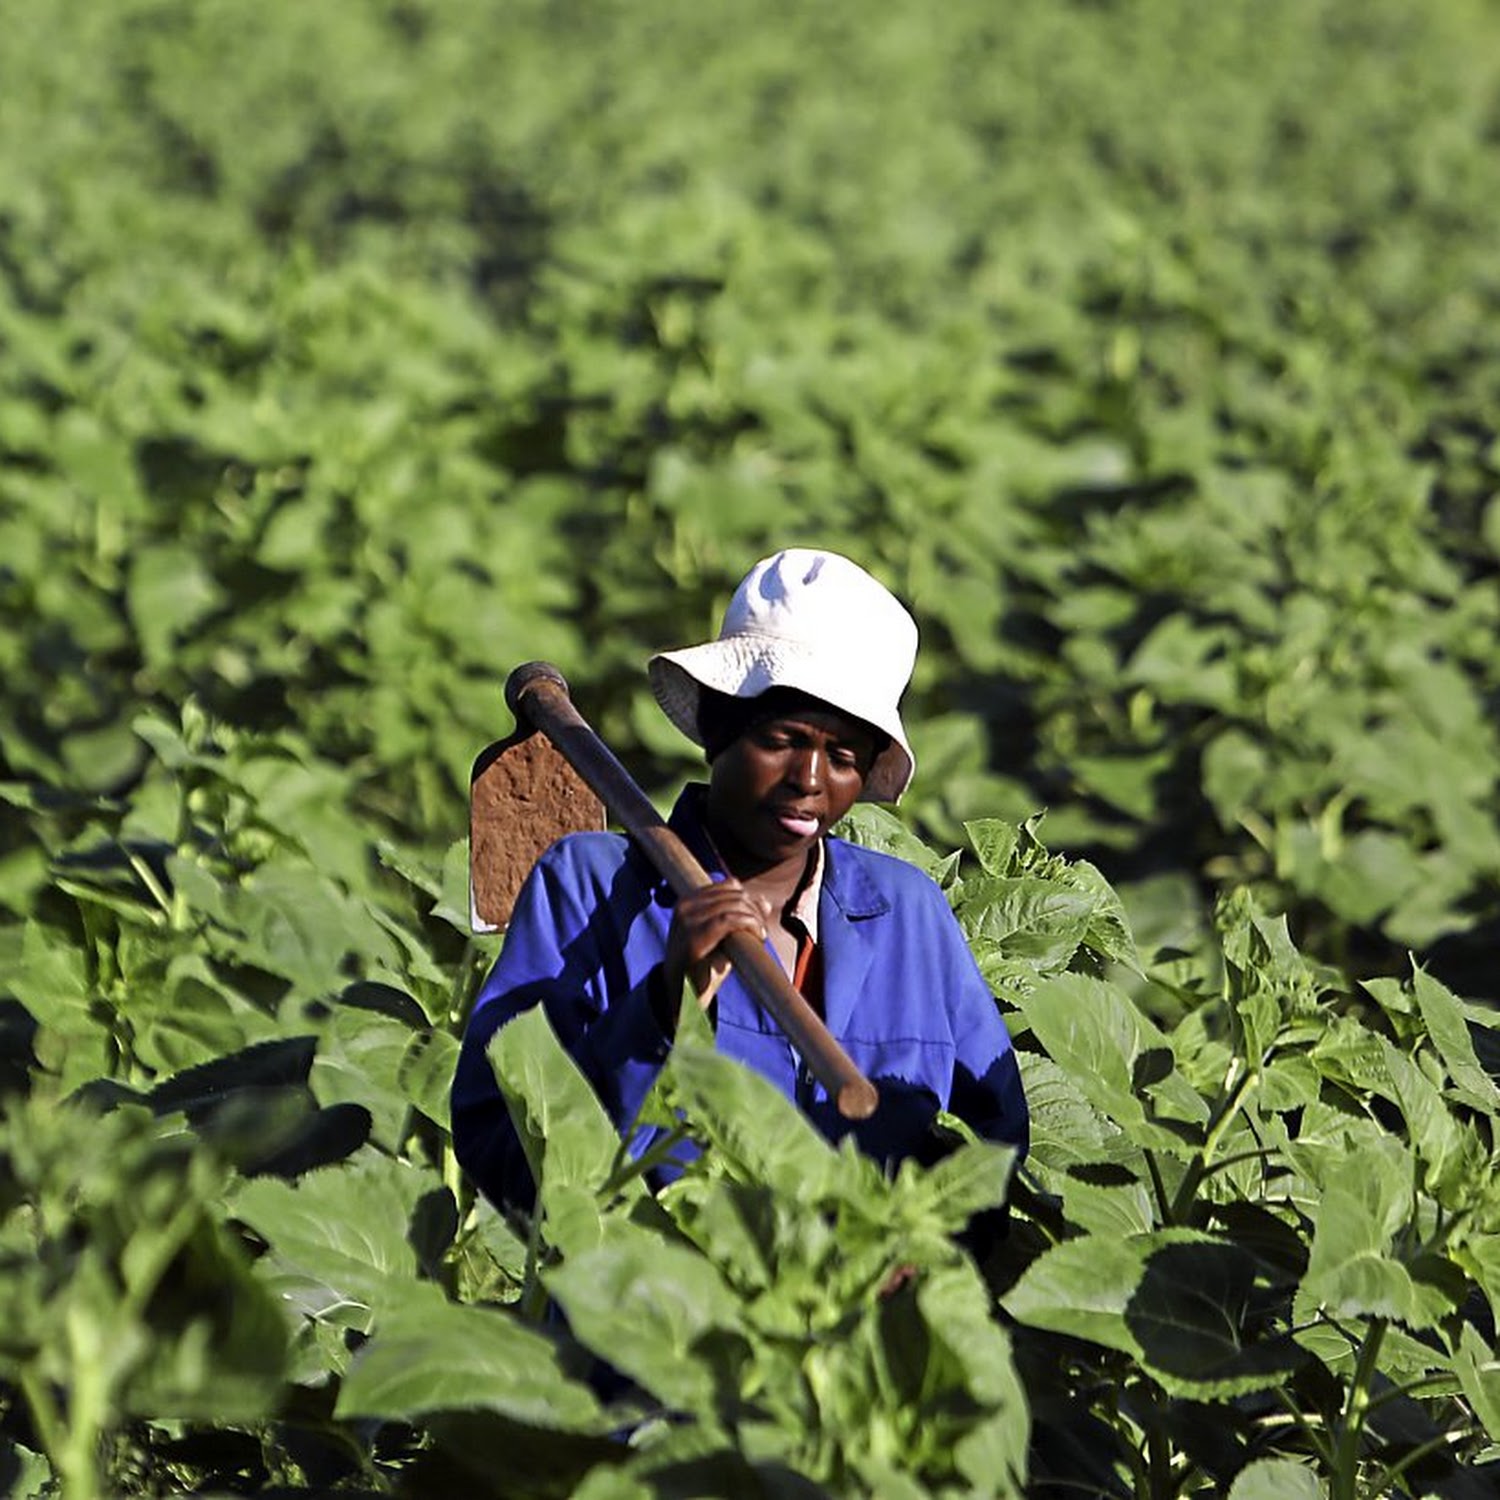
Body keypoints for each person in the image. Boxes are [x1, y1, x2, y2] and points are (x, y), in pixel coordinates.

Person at [451, 548, 1028, 1213]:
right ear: (719, 730)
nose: (808, 780)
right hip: (648, 1305)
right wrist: (664, 1006)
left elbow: (993, 1149)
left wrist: (919, 1250)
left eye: (842, 757)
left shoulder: (907, 911)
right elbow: (500, 1147)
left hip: (853, 1308)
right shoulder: (588, 886)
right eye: (781, 740)